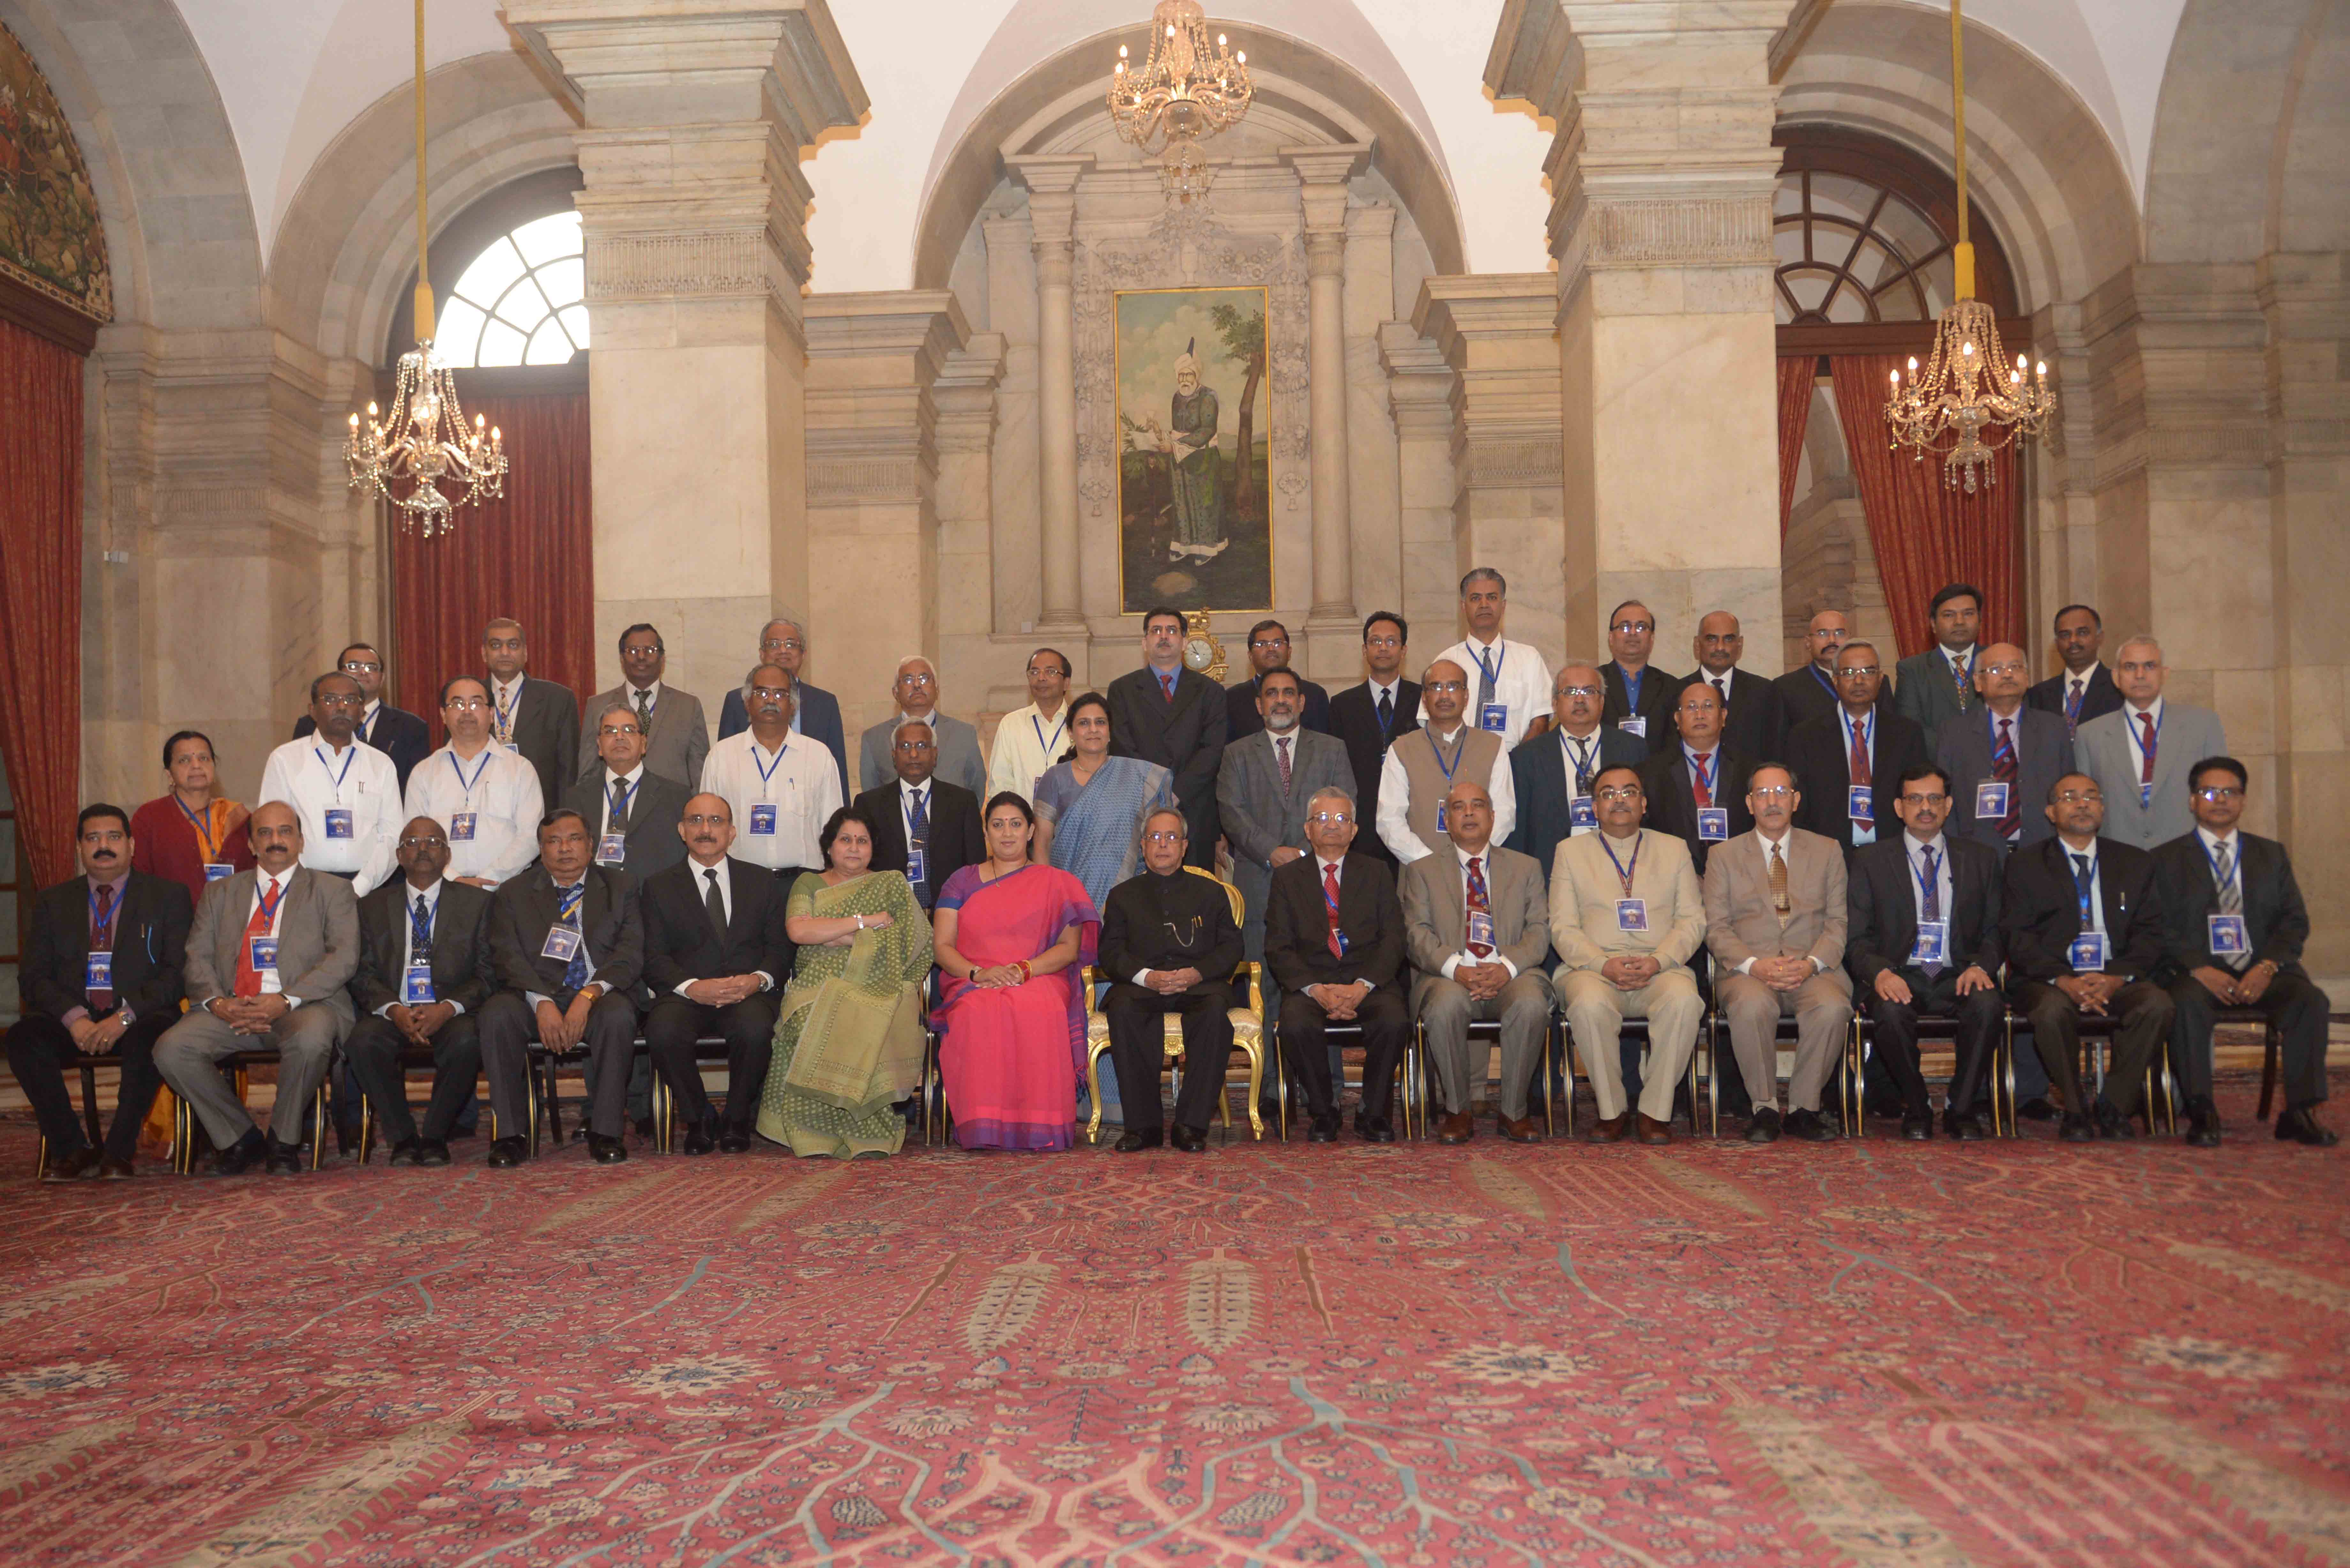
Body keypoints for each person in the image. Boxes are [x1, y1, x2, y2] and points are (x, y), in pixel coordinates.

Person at [154, 801, 359, 1174]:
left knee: (313, 1039)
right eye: (264, 833)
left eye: (285, 832)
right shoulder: (220, 893)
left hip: (304, 1005)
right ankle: (239, 1137)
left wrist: (285, 999)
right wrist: (217, 1003)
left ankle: (283, 1140)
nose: (275, 840)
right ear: (251, 845)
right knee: (172, 1048)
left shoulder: (333, 890)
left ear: (300, 841)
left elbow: (343, 958)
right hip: (231, 1008)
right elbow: (196, 955)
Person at [2152, 757, 2334, 1148]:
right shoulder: (2164, 859)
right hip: (2198, 974)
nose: (2220, 800)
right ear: (2191, 801)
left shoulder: (2270, 854)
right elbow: (2157, 926)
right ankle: (2202, 1110)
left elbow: (2294, 922)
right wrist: (2198, 968)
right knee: (2184, 1003)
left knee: (2310, 1000)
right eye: (2208, 792)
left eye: (2230, 792)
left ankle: (2300, 1111)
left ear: (2243, 800)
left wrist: (2267, 966)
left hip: (2262, 969)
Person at [6, 805, 192, 1181]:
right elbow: (33, 977)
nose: (103, 846)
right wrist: (74, 1019)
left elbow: (178, 975)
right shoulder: (53, 901)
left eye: (113, 837)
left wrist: (123, 1017)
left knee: (155, 1038)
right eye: (93, 838)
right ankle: (71, 1149)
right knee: (22, 1039)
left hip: (138, 1017)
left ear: (131, 844)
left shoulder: (167, 896)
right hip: (75, 1019)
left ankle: (117, 1153)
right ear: (79, 848)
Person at [2000, 773, 2173, 1142]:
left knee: (2156, 1004)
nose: (2082, 804)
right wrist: (2063, 979)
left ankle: (2114, 1104)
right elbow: (2017, 936)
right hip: (2049, 979)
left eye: (2090, 797)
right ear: (2050, 812)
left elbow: (2151, 932)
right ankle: (2076, 1109)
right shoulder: (2026, 864)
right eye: (2069, 797)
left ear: (2102, 808)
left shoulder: (2134, 862)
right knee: (2050, 1011)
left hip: (2116, 975)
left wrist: (2117, 977)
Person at [755, 806, 931, 1157]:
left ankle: (865, 1129)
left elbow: (909, 941)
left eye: (862, 841)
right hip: (817, 983)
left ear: (872, 848)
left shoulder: (890, 884)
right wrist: (866, 923)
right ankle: (812, 1130)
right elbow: (800, 931)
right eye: (845, 840)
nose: (854, 848)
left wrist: (835, 933)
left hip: (879, 983)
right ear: (830, 846)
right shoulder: (810, 882)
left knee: (876, 1016)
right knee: (808, 1020)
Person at [932, 793, 1101, 1150]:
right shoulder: (960, 882)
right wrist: (978, 974)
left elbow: (1068, 950)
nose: (1006, 833)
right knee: (978, 1012)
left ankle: (1042, 1128)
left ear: (1031, 830)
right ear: (986, 832)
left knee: (1039, 1007)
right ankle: (984, 1127)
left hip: (1038, 976)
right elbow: (943, 946)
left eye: (1015, 824)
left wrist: (1025, 969)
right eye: (997, 825)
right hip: (973, 979)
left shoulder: (1058, 882)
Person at [1548, 767, 1707, 1145]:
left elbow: (1692, 920)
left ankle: (1655, 1111)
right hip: (1592, 968)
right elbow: (1562, 927)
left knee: (1685, 1000)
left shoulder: (1674, 849)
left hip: (1660, 966)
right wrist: (1603, 964)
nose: (1619, 800)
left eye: (1629, 791)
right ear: (1594, 807)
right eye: (1608, 793)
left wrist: (1659, 961)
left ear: (1644, 803)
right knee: (1587, 1005)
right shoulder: (1569, 852)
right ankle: (1612, 1110)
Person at [1845, 765, 2004, 1140]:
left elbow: (1997, 929)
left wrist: (1982, 964)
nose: (1925, 807)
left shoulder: (1981, 859)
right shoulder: (1870, 860)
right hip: (1900, 971)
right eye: (1915, 799)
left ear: (1948, 806)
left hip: (1959, 972)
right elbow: (1856, 937)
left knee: (1989, 1006)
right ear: (1899, 807)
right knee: (1889, 1011)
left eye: (1934, 799)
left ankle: (1959, 1107)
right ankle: (1917, 1106)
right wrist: (1880, 973)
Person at [477, 809, 645, 1167]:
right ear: (541, 849)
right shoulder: (513, 893)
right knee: (497, 1015)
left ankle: (606, 1132)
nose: (564, 849)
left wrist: (589, 995)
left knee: (618, 1016)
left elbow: (630, 952)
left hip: (600, 994)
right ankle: (510, 1135)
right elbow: (506, 955)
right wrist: (541, 1002)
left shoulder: (622, 886)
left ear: (591, 846)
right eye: (553, 841)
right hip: (535, 993)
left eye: (574, 839)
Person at [1703, 765, 1854, 1144]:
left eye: (1781, 792)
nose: (1772, 801)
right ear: (1749, 803)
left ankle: (1805, 1108)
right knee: (1752, 1007)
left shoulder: (1827, 850)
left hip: (1814, 968)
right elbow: (1716, 928)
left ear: (1796, 800)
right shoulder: (1722, 855)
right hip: (1748, 970)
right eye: (1762, 794)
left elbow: (1837, 923)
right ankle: (1765, 1108)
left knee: (1833, 1008)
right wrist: (1755, 965)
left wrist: (1809, 964)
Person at [639, 794, 795, 1154]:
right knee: (662, 1032)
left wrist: (757, 980)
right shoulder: (658, 886)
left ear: (732, 832)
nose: (705, 829)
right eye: (695, 821)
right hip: (685, 995)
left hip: (747, 993)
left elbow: (780, 949)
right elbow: (652, 955)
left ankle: (737, 1119)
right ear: (681, 830)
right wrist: (691, 987)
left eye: (715, 821)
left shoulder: (761, 881)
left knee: (756, 1029)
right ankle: (699, 1118)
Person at [1401, 780, 1553, 1145]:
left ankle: (1513, 1111)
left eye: (1478, 805)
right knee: (1446, 1004)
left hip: (1512, 974)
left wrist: (1505, 967)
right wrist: (1458, 969)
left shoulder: (1526, 867)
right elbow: (1415, 934)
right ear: (1447, 820)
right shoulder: (1421, 870)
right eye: (1458, 807)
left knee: (1532, 1003)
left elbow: (1539, 931)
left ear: (1493, 816)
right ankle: (1458, 1110)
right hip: (1449, 976)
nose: (1469, 813)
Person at [342, 816, 496, 1166]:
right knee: (362, 1042)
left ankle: (435, 1136)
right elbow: (360, 973)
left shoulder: (477, 904)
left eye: (433, 842)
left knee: (467, 1041)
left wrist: (447, 1008)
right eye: (412, 842)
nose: (423, 848)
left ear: (448, 854)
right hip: (392, 1010)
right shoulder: (371, 907)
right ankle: (403, 1137)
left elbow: (488, 974)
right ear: (399, 855)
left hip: (450, 1011)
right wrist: (394, 1009)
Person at [1264, 786, 1410, 1142]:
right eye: (1323, 819)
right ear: (1308, 829)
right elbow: (1278, 946)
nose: (1332, 826)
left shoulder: (1376, 873)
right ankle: (1324, 1109)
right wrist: (1316, 989)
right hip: (1313, 983)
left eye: (1342, 818)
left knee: (1395, 1021)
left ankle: (1372, 1112)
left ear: (1355, 830)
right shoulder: (1286, 878)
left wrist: (1362, 986)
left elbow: (1393, 939)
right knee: (1295, 1025)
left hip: (1367, 981)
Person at [1097, 807, 1246, 1152]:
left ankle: (1190, 1126)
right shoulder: (1123, 895)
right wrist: (1147, 977)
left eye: (1171, 838)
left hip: (1199, 984)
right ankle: (1143, 1127)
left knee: (1214, 1015)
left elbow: (1232, 945)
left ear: (1184, 846)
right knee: (1123, 1011)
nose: (1162, 845)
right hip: (1141, 987)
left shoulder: (1211, 892)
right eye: (1154, 838)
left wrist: (1198, 972)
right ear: (1144, 846)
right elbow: (1111, 952)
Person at [1217, 667, 1353, 958]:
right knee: (1262, 972)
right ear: (1259, 705)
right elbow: (1232, 812)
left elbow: (1346, 807)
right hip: (1257, 879)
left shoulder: (1333, 750)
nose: (1281, 700)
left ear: (1302, 703)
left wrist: (1305, 854)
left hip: (1320, 876)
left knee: (1318, 969)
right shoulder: (1236, 753)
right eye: (1272, 693)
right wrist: (1272, 852)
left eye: (1288, 693)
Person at [2074, 636, 2227, 851]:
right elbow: (2086, 804)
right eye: (2130, 667)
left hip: (2189, 854)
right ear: (2116, 677)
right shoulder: (2090, 734)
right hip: (2119, 857)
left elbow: (2218, 791)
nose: (2140, 675)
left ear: (2165, 674)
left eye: (2149, 666)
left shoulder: (2203, 725)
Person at [257, 671, 400, 895]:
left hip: (367, 890)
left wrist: (359, 887)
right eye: (331, 699)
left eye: (351, 700)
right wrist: (303, 884)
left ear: (362, 711)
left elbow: (392, 837)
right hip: (301, 889)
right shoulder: (285, 759)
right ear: (312, 710)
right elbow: (272, 831)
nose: (342, 707)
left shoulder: (381, 764)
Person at [1035, 691, 1178, 913]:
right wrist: (1047, 894)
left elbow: (1156, 839)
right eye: (1084, 723)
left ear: (1110, 732)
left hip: (1131, 895)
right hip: (1067, 897)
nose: (1093, 729)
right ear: (1071, 733)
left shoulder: (1140, 776)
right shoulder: (1054, 778)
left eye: (1100, 722)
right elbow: (1041, 842)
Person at [1107, 606, 1227, 869]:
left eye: (1172, 631)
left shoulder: (1211, 692)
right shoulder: (1121, 691)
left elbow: (1213, 750)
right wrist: (1155, 792)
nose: (1164, 636)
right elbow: (1122, 746)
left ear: (1184, 642)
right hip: (1141, 810)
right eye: (1156, 631)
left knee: (1196, 897)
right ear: (1145, 642)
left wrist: (1175, 792)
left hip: (1194, 810)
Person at [1785, 641, 1929, 856]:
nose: (1859, 680)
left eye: (1868, 671)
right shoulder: (1805, 736)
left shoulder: (1907, 734)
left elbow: (1917, 797)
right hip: (1827, 854)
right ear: (1835, 680)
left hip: (1893, 853)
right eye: (1849, 672)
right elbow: (1799, 806)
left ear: (1881, 679)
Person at [700, 666, 844, 880]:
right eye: (762, 693)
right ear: (747, 702)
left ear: (793, 704)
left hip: (804, 882)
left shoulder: (818, 756)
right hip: (739, 882)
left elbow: (834, 829)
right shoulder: (721, 756)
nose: (771, 700)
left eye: (780, 694)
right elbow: (708, 826)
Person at [403, 677, 547, 888]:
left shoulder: (520, 769)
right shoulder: (424, 773)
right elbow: (414, 838)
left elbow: (531, 836)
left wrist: (489, 879)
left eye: (476, 703)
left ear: (491, 714)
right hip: (442, 890)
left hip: (507, 888)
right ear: (443, 714)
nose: (467, 711)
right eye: (458, 704)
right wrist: (454, 879)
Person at [1508, 662, 1645, 879]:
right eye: (1570, 692)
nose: (1580, 700)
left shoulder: (1633, 749)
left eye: (1589, 692)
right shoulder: (1526, 758)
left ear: (1602, 701)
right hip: (1553, 874)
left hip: (1623, 869)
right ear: (1554, 702)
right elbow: (1519, 833)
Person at [1937, 643, 2074, 855]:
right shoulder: (1954, 733)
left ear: (2027, 679)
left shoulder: (2053, 729)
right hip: (1977, 853)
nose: (2008, 675)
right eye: (1996, 669)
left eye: (2015, 667)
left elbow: (2068, 794)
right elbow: (1946, 801)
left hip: (2043, 852)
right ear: (1978, 683)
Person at [1378, 659, 1517, 865]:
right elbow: (1389, 821)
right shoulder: (1401, 750)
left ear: (1466, 696)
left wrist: (1471, 857)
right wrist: (1431, 864)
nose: (1444, 695)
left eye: (1453, 686)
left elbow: (1504, 814)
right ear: (1425, 698)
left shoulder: (1494, 747)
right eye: (1436, 687)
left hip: (1479, 870)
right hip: (1420, 875)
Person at [853, 720, 985, 911]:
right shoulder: (869, 805)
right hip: (888, 916)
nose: (913, 754)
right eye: (905, 746)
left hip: (950, 913)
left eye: (922, 746)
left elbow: (976, 866)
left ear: (935, 754)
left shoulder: (962, 802)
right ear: (893, 755)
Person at [1327, 611, 1421, 866]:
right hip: (1361, 826)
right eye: (1375, 641)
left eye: (1391, 642)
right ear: (1364, 649)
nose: (1383, 648)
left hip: (1413, 821)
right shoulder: (1342, 705)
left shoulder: (1423, 700)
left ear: (1404, 651)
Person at [717, 617, 850, 796]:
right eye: (774, 644)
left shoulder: (825, 704)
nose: (783, 651)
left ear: (803, 654)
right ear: (762, 653)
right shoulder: (737, 700)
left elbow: (838, 771)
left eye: (791, 644)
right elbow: (725, 765)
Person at [1636, 681, 1755, 878]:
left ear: (1723, 716)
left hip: (1739, 880)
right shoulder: (1650, 773)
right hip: (1671, 879)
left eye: (1709, 706)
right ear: (1677, 718)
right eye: (1691, 707)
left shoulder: (1750, 770)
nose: (1700, 714)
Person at [561, 704, 691, 881]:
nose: (619, 737)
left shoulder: (677, 797)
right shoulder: (576, 798)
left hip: (653, 900)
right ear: (599, 745)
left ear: (644, 743)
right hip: (595, 899)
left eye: (629, 730)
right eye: (610, 731)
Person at [573, 623, 710, 787]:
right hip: (617, 807)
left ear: (662, 658)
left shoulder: (688, 706)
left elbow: (700, 775)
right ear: (622, 659)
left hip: (673, 809)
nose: (641, 657)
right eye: (633, 651)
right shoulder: (597, 706)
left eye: (650, 650)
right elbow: (588, 772)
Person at [1427, 569, 1551, 747]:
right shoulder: (1446, 661)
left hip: (1516, 765)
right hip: (1457, 766)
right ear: (1463, 606)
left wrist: (1515, 764)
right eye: (1476, 598)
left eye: (1492, 597)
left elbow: (1540, 721)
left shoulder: (1529, 658)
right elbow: (1432, 722)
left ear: (1504, 605)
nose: (1484, 604)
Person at [131, 730, 255, 900]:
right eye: (184, 760)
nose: (196, 766)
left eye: (204, 759)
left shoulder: (236, 816)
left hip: (233, 920)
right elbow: (138, 881)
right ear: (170, 775)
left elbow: (254, 875)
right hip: (172, 923)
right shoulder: (150, 818)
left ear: (214, 767)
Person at [292, 642, 431, 789]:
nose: (363, 673)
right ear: (339, 674)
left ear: (382, 678)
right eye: (353, 666)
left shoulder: (412, 727)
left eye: (371, 668)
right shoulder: (310, 723)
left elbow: (415, 786)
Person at [482, 618, 581, 809]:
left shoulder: (558, 699)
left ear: (526, 653)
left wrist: (561, 821)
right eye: (496, 645)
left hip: (541, 813)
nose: (505, 652)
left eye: (513, 645)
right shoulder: (469, 698)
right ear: (484, 654)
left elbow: (568, 772)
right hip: (483, 813)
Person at [856, 656, 985, 796]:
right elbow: (871, 799)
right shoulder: (874, 739)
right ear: (896, 693)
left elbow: (976, 791)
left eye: (924, 679)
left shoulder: (964, 735)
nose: (917, 685)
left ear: (937, 690)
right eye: (908, 680)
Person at [1683, 612, 1787, 762]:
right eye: (1712, 639)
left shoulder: (1765, 692)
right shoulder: (1678, 692)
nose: (1720, 647)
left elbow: (1775, 752)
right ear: (1697, 644)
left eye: (1729, 639)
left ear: (1740, 645)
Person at [1158, 342, 1227, 560]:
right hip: (1180, 459)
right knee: (1181, 502)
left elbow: (1207, 430)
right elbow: (1178, 429)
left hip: (1203, 458)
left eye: (1189, 374)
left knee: (1203, 503)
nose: (1185, 380)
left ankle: (1206, 550)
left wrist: (1177, 444)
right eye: (1181, 375)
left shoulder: (1208, 396)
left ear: (1197, 374)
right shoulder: (1177, 398)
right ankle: (1183, 546)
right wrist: (1164, 438)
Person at [1893, 583, 1985, 742]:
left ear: (1980, 621)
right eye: (1949, 615)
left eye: (1968, 614)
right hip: (1935, 763)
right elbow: (1910, 729)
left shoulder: (1998, 663)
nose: (1959, 622)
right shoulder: (1911, 670)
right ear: (1934, 625)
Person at [1776, 608, 1889, 731]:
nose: (1832, 640)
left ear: (1850, 639)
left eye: (1840, 633)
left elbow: (1891, 729)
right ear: (1808, 643)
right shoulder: (1786, 687)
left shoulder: (1876, 680)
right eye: (1823, 634)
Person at [987, 647, 1074, 802]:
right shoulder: (1011, 724)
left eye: (1051, 672)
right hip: (1024, 822)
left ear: (1066, 683)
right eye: (1034, 672)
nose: (1041, 678)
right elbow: (1000, 785)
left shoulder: (1080, 724)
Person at [2027, 604, 2122, 739]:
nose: (2073, 640)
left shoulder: (2119, 689)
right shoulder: (2037, 696)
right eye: (2065, 635)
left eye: (2082, 633)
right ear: (2057, 643)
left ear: (2100, 638)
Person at [1225, 621, 1332, 738]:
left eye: (1278, 643)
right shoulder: (1232, 698)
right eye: (1262, 644)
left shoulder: (1315, 694)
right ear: (1250, 656)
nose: (1271, 649)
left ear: (1290, 652)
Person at [1600, 601, 1682, 746]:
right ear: (1611, 637)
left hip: (1656, 767)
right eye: (1624, 627)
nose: (1633, 633)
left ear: (1652, 639)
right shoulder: (1593, 682)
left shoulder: (1672, 687)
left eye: (1641, 627)